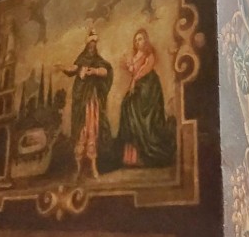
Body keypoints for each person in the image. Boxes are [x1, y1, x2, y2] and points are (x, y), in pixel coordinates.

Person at [56, 30, 113, 179]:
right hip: (80, 101)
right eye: (90, 45)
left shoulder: (97, 61)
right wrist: (62, 67)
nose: (92, 48)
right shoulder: (81, 59)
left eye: (94, 46)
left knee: (92, 131)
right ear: (87, 45)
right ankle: (78, 169)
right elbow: (73, 69)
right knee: (80, 133)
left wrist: (93, 71)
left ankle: (94, 168)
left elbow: (105, 71)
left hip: (91, 101)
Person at [117, 29, 176, 168]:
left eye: (141, 39)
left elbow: (145, 69)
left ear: (146, 40)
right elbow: (133, 70)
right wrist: (128, 65)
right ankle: (132, 157)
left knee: (138, 112)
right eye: (136, 40)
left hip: (149, 88)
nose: (138, 42)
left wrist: (134, 81)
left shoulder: (149, 54)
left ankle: (149, 151)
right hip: (137, 86)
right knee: (127, 107)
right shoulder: (136, 55)